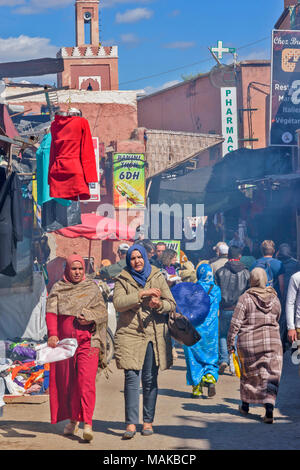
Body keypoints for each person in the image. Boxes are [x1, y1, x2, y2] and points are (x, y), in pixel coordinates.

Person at [113, 244, 175, 439]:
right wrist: (140, 295)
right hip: (130, 333)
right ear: (128, 260)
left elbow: (171, 303)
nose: (137, 261)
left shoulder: (157, 276)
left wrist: (159, 304)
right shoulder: (123, 278)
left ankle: (148, 421)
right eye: (133, 258)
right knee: (131, 378)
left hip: (152, 334)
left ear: (145, 259)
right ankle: (130, 424)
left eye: (140, 257)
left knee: (149, 379)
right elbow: (118, 303)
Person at [46, 254, 108, 441]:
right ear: (67, 270)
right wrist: (53, 334)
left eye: (80, 268)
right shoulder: (58, 287)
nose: (78, 272)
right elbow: (51, 312)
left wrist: (90, 317)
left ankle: (87, 422)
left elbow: (102, 312)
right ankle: (73, 420)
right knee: (68, 382)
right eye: (74, 269)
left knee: (85, 381)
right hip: (65, 345)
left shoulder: (91, 288)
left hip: (88, 341)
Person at [227, 268, 283, 424]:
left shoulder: (245, 298)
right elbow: (278, 317)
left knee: (249, 374)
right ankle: (269, 408)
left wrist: (230, 343)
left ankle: (245, 406)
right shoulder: (275, 298)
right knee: (271, 375)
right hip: (273, 342)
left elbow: (235, 323)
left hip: (248, 343)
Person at [183, 264, 221, 398]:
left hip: (194, 329)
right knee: (210, 356)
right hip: (211, 330)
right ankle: (209, 377)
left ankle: (197, 389)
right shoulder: (216, 290)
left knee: (193, 358)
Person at [215, 246, 250, 374]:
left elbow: (216, 292)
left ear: (228, 256)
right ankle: (235, 363)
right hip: (240, 310)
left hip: (224, 308)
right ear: (240, 256)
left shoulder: (220, 272)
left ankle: (224, 359)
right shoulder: (246, 273)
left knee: (223, 335)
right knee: (237, 336)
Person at [276, 243, 300, 350]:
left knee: (282, 322)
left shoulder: (277, 264)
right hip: (291, 300)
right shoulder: (295, 266)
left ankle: (283, 343)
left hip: (282, 297)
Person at [285, 269, 300, 347]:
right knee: (297, 357)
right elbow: (290, 303)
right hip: (299, 327)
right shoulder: (296, 277)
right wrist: (291, 327)